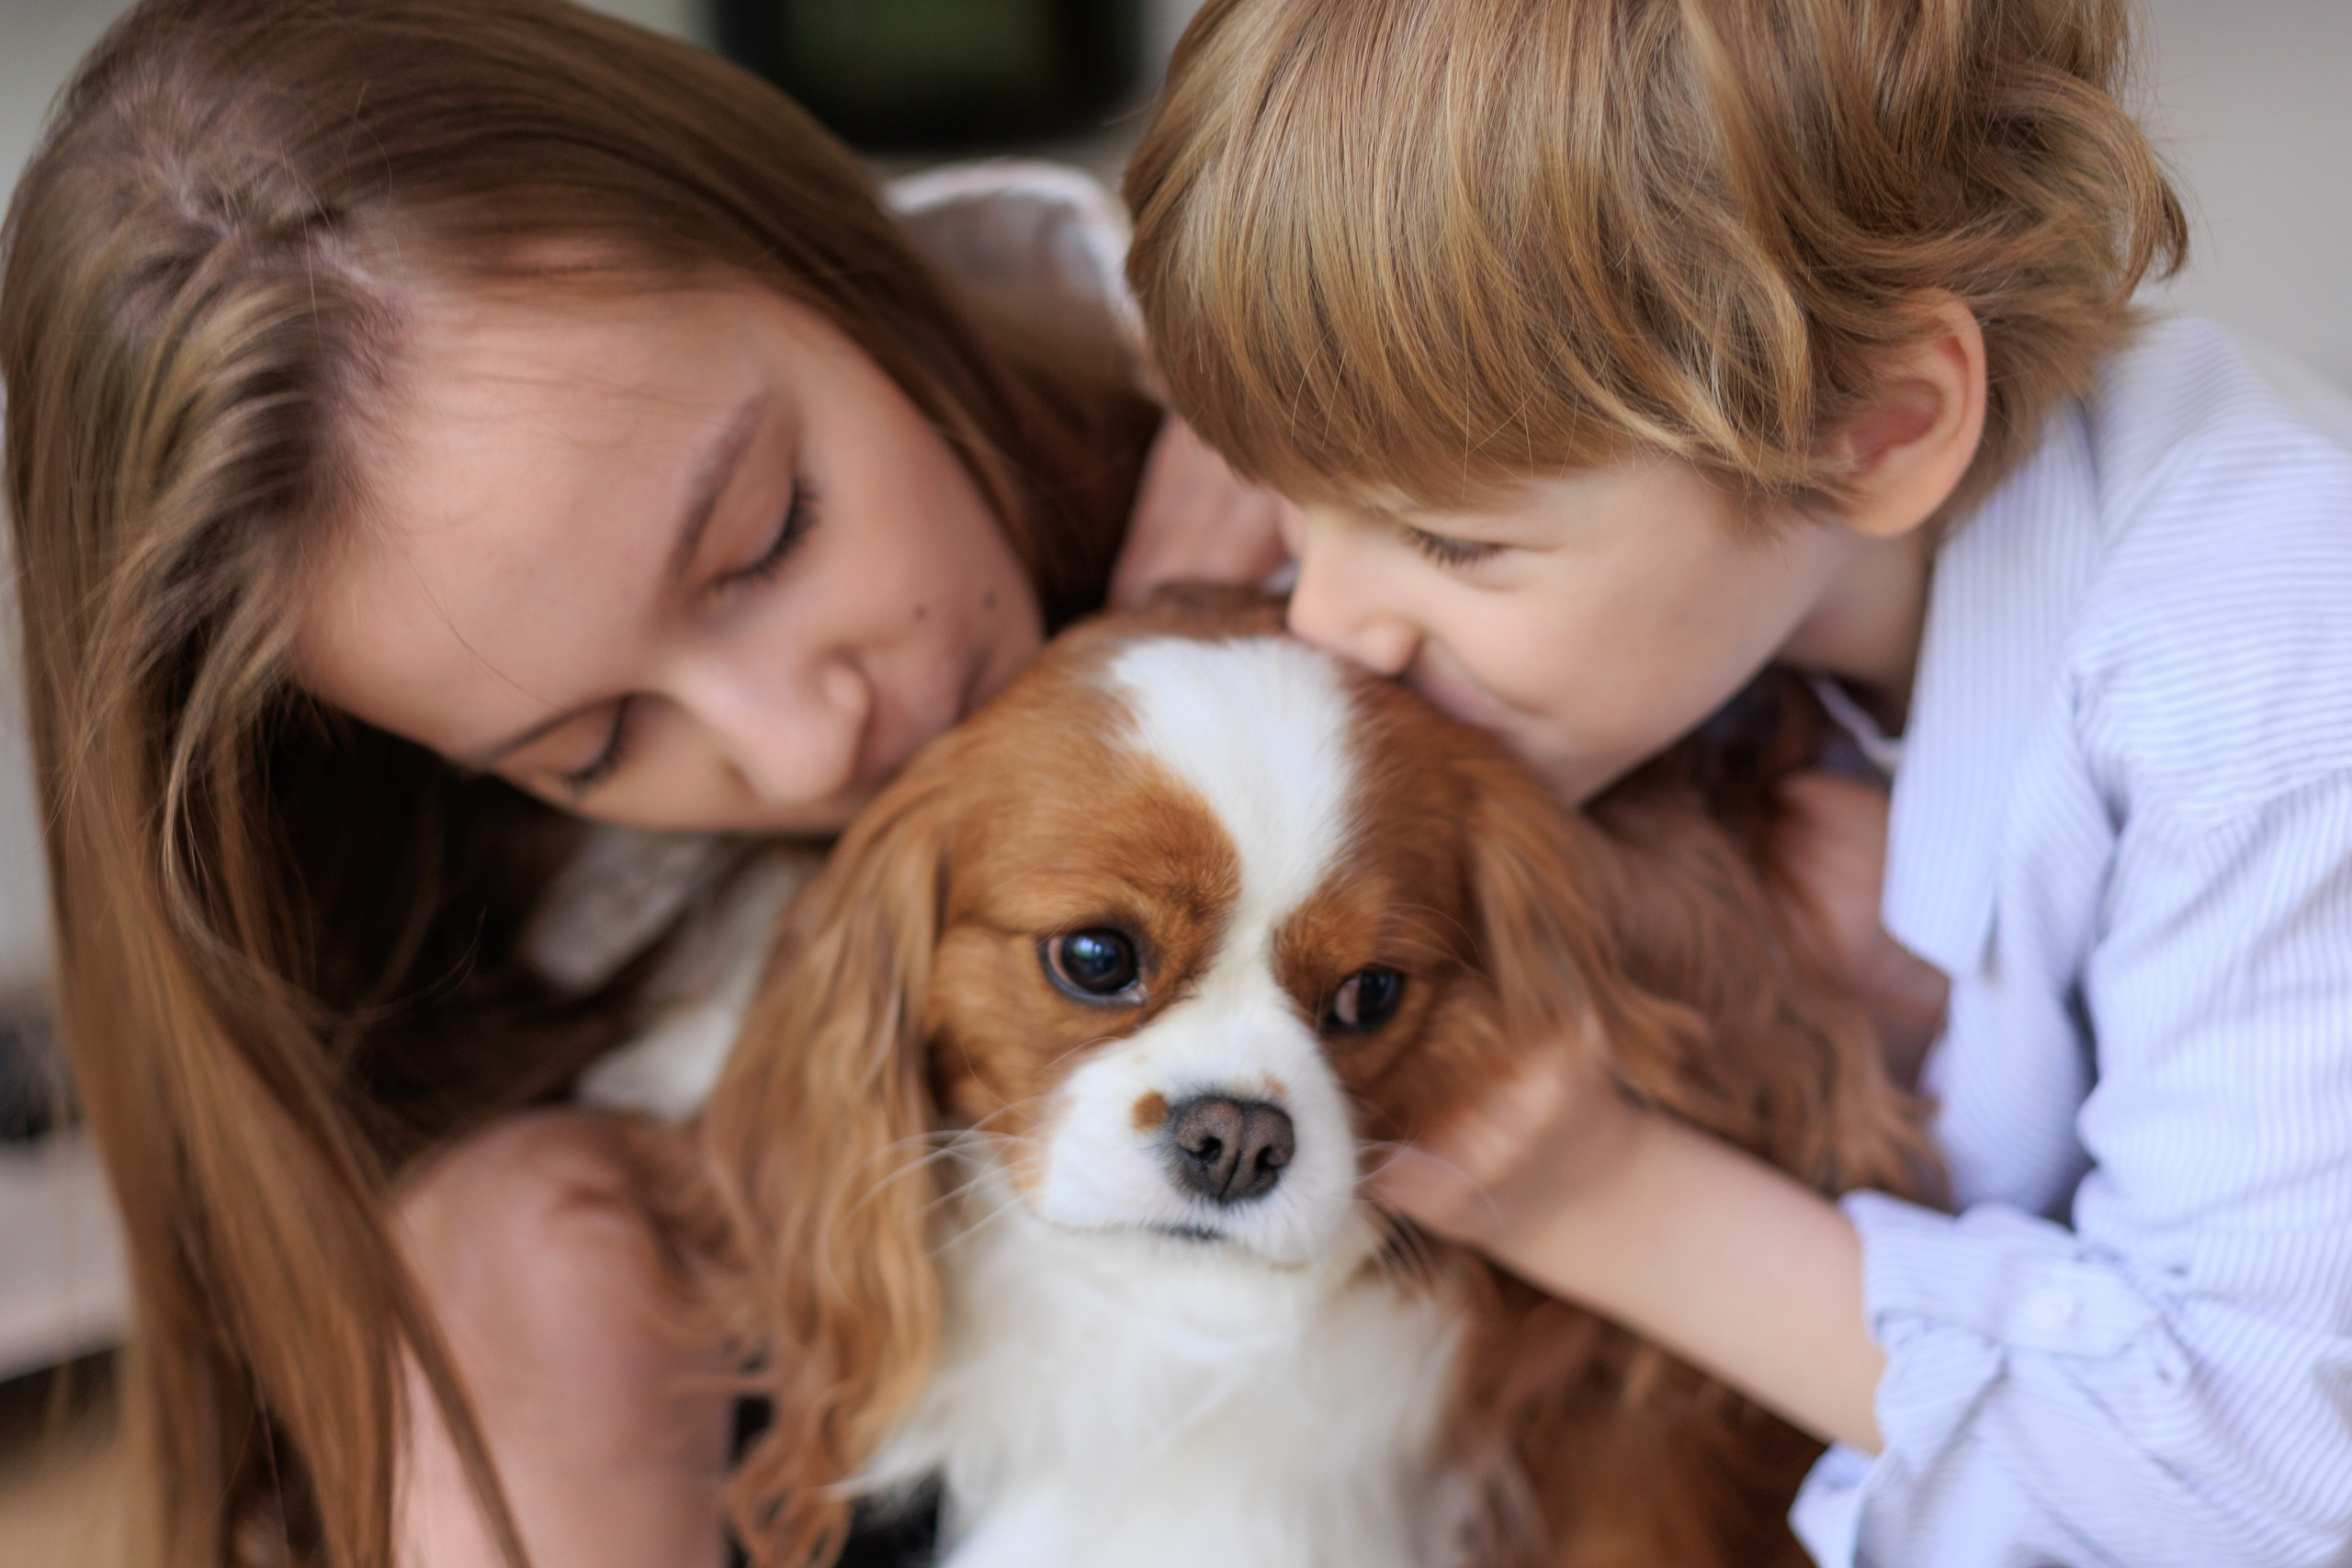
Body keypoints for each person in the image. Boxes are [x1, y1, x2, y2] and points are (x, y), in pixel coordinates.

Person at [0, 2, 1275, 1564]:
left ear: (817, 253)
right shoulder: (535, 978)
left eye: (771, 533)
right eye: (592, 748)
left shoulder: (1305, 428)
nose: (805, 746)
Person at [1116, 0, 2352, 1562]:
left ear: (1878, 431)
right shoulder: (1700, 575)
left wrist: (1602, 1196)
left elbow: (2258, 1471)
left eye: (1449, 541)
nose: (1326, 622)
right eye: (1292, 507)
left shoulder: (2269, 685)